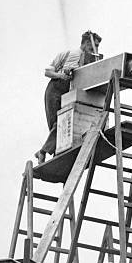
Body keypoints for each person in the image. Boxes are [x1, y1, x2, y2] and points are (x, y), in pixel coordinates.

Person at [35, 31, 102, 165]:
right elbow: (47, 72)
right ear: (87, 42)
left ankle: (43, 151)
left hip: (68, 94)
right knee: (56, 125)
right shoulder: (68, 54)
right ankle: (47, 152)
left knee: (63, 125)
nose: (96, 48)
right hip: (55, 90)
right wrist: (61, 76)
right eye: (94, 45)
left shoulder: (88, 61)